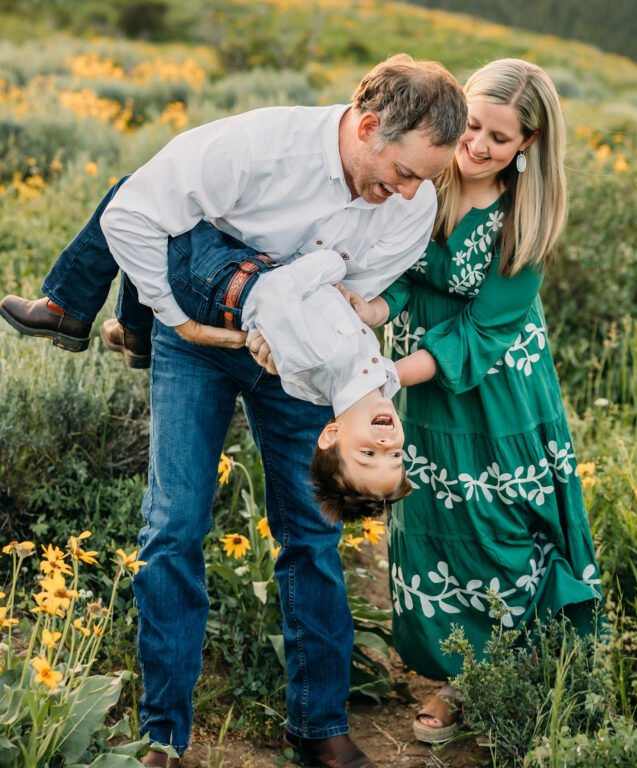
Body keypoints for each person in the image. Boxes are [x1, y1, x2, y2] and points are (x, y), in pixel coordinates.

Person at [3, 54, 467, 768]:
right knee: (173, 526)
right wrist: (176, 323)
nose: (410, 192)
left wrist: (316, 334)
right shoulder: (254, 146)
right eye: (404, 171)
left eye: (425, 179)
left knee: (312, 537)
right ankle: (164, 736)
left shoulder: (412, 204)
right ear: (369, 127)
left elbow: (357, 289)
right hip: (198, 341)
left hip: (301, 372)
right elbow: (129, 215)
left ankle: (319, 728)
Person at [341, 59, 602, 744]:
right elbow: (402, 274)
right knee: (431, 519)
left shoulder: (523, 219)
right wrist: (371, 306)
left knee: (498, 525)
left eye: (499, 137)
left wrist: (388, 375)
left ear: (528, 147)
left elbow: (482, 331)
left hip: (494, 390)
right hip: (423, 384)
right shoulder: (426, 179)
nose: (477, 145)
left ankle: (487, 680)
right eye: (473, 126)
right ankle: (453, 666)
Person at [1, 198, 412, 520]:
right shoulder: (379, 380)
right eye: (394, 456)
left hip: (228, 287)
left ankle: (81, 312)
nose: (384, 444)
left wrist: (331, 263)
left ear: (330, 435)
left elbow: (275, 297)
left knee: (138, 206)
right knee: (154, 221)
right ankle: (132, 328)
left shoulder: (322, 363)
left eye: (367, 455)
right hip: (240, 279)